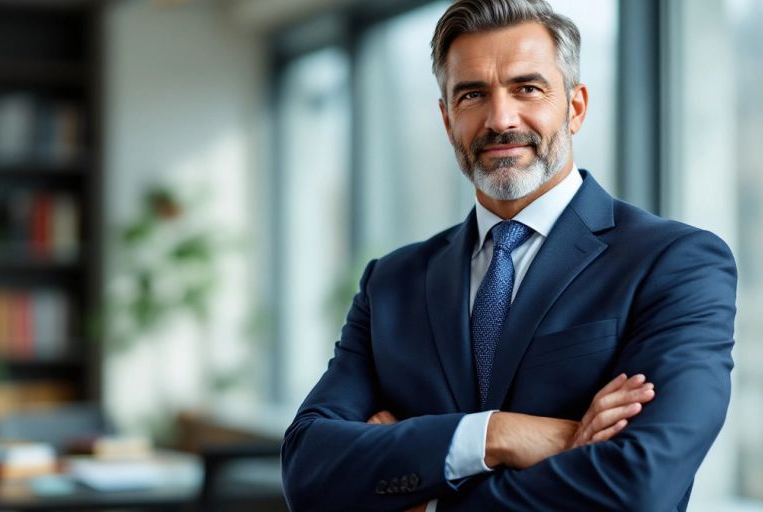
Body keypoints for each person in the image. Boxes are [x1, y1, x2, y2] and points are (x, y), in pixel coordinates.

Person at [280, 0, 737, 510]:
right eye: (473, 94)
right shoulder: (392, 282)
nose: (500, 119)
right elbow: (307, 469)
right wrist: (497, 435)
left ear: (576, 106)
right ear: (447, 118)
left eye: (528, 89)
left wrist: (426, 497)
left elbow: (640, 485)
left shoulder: (676, 263)